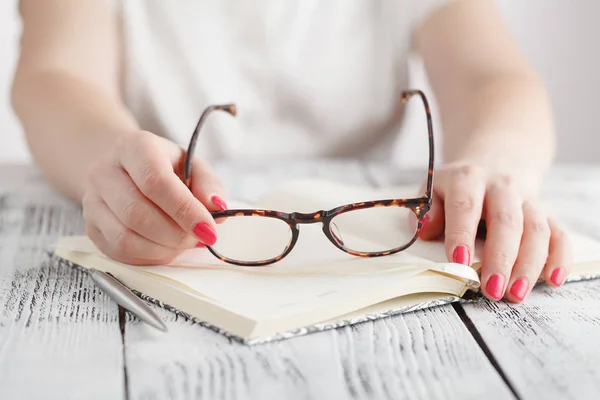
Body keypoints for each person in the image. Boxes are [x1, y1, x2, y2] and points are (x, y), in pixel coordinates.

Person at [10, 0, 571, 304]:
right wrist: (110, 161)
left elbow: (493, 79)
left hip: (382, 247)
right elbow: (55, 76)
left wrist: (496, 168)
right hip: (178, 241)